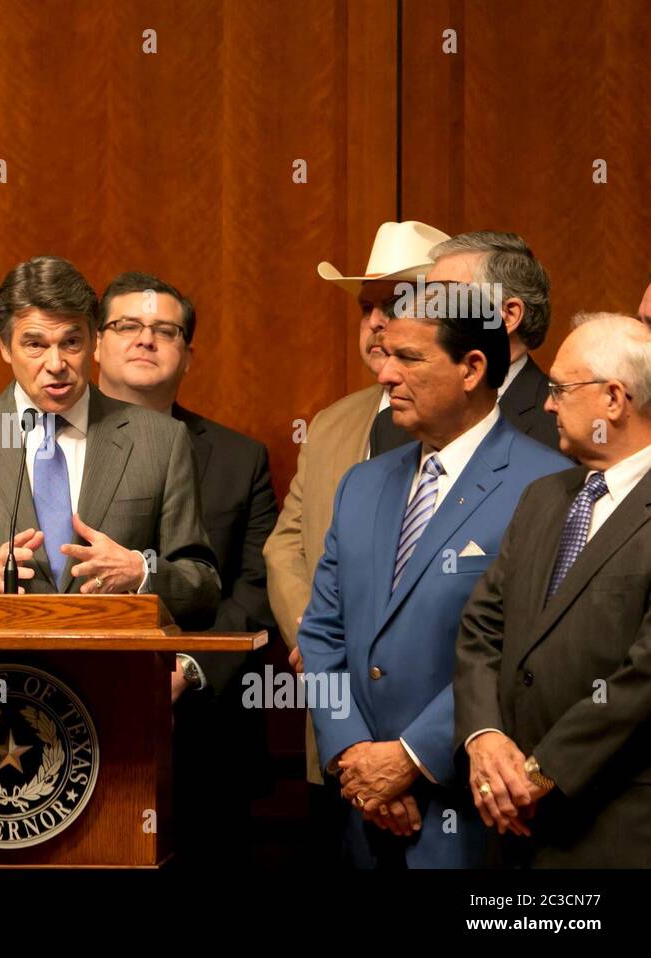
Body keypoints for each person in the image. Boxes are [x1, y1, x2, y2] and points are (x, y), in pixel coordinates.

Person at [296, 280, 570, 867]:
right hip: (360, 815)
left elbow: (528, 654)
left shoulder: (549, 488)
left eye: (408, 358)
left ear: (472, 368)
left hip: (469, 819)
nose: (385, 375)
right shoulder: (362, 483)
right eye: (385, 354)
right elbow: (320, 634)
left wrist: (410, 758)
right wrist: (353, 757)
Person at [0, 255, 218, 631]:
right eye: (35, 345)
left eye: (71, 342)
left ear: (94, 341)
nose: (56, 363)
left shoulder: (161, 441)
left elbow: (203, 590)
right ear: (6, 348)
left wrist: (142, 572)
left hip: (115, 680)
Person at [264, 220, 449, 860]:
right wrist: (312, 641)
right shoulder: (333, 422)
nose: (375, 322)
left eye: (394, 304)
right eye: (367, 306)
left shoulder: (485, 428)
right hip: (334, 721)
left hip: (438, 738)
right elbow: (285, 546)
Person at [94, 270, 277, 865]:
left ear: (187, 355)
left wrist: (190, 667)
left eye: (164, 330)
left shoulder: (240, 459)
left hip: (204, 738)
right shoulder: (39, 448)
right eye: (127, 326)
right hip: (60, 720)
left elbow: (254, 587)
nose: (146, 339)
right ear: (96, 343)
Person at [456, 313, 651, 867]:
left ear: (614, 399)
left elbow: (643, 678)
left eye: (561, 389)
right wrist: (484, 736)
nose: (546, 403)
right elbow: (480, 629)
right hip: (510, 825)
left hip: (614, 827)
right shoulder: (544, 497)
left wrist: (542, 772)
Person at [426, 231, 560, 449]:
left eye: (448, 299)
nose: (425, 315)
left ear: (507, 315)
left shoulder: (559, 422)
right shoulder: (393, 422)